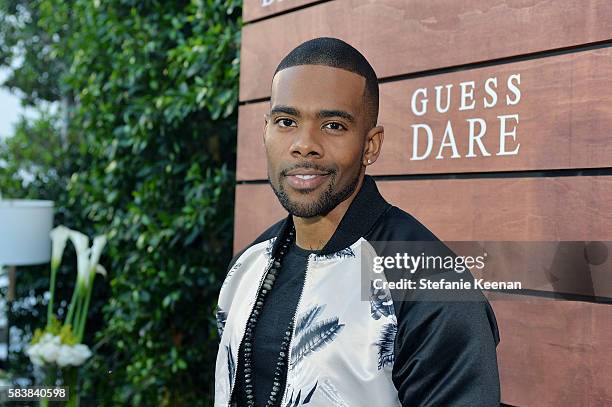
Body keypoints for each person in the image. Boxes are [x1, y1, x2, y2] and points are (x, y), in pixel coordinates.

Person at [214, 37, 500, 407]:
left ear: (371, 145)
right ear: (265, 130)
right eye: (287, 121)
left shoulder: (428, 283)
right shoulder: (248, 266)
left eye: (333, 125)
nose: (304, 144)